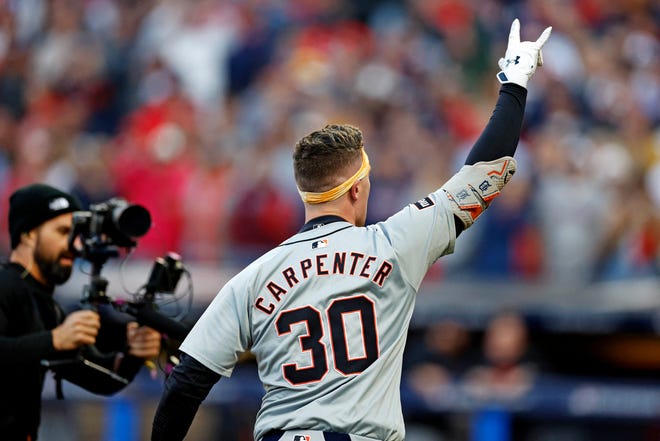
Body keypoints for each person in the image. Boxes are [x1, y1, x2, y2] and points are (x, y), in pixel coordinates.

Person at [151, 19, 552, 441]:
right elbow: (485, 173)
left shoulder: (254, 276)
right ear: (358, 188)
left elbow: (186, 382)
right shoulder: (395, 243)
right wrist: (514, 83)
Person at [0, 183, 162, 441]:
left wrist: (133, 354)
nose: (74, 245)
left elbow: (104, 380)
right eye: (64, 231)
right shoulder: (5, 285)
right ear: (28, 234)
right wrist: (53, 340)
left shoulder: (49, 307)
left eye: (78, 234)